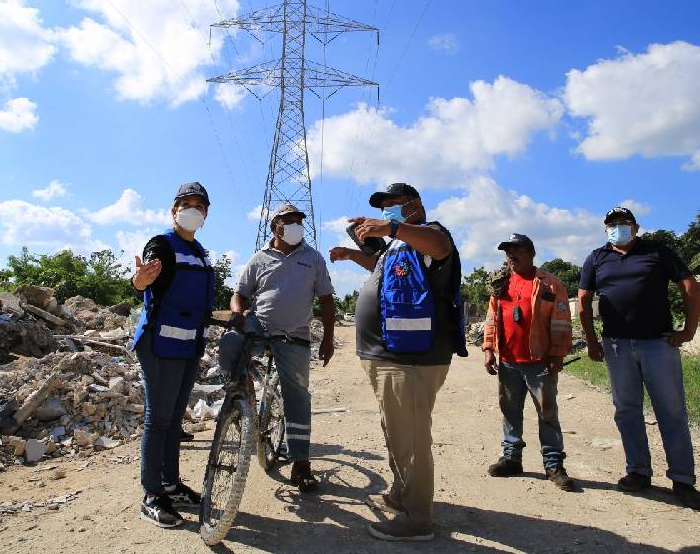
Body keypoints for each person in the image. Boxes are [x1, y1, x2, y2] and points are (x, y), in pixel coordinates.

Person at [329, 183, 467, 541]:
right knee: (396, 430)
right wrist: (351, 253)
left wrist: (389, 227)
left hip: (411, 357)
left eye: (395, 205)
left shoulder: (432, 234)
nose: (388, 211)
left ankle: (418, 517)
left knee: (411, 437)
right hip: (388, 354)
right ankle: (400, 493)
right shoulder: (398, 247)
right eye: (384, 207)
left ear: (415, 205)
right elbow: (378, 266)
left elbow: (439, 247)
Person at [578, 206, 700, 510]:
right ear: (605, 229)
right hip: (617, 346)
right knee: (627, 411)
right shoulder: (596, 258)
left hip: (658, 345)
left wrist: (688, 330)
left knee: (671, 412)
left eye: (623, 222)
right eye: (612, 224)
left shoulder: (657, 252)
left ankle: (683, 480)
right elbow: (583, 300)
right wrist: (592, 342)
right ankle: (638, 472)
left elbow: (690, 287)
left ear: (636, 226)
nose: (617, 227)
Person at [219, 203, 335, 492]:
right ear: (276, 227)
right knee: (231, 342)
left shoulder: (314, 258)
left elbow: (326, 300)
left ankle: (301, 463)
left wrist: (329, 337)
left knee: (298, 397)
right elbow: (239, 294)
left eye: (299, 221)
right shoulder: (259, 258)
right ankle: (237, 393)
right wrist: (236, 312)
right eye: (289, 221)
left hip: (295, 335)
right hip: (261, 328)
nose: (296, 225)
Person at [130, 182, 215, 528]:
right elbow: (143, 281)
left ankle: (171, 485)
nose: (193, 210)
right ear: (174, 210)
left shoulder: (200, 252)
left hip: (188, 346)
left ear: (206, 214)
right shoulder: (161, 245)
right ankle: (152, 495)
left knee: (173, 421)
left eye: (199, 206)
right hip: (159, 344)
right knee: (158, 419)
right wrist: (139, 281)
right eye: (186, 204)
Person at [481, 234, 575, 490]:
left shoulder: (550, 284)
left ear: (531, 253)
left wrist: (557, 354)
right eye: (508, 251)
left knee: (547, 413)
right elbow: (492, 317)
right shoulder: (500, 284)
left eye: (517, 250)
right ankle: (512, 458)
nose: (511, 255)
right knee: (510, 411)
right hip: (509, 361)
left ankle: (554, 464)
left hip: (539, 361)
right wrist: (489, 348)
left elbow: (561, 322)